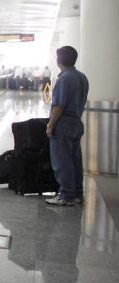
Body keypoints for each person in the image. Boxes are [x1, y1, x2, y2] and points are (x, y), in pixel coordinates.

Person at [45, 46, 89, 206]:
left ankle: (66, 195)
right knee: (75, 159)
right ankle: (77, 194)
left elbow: (59, 106)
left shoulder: (64, 78)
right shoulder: (81, 77)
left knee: (62, 160)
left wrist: (51, 125)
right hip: (77, 122)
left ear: (59, 60)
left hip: (63, 123)